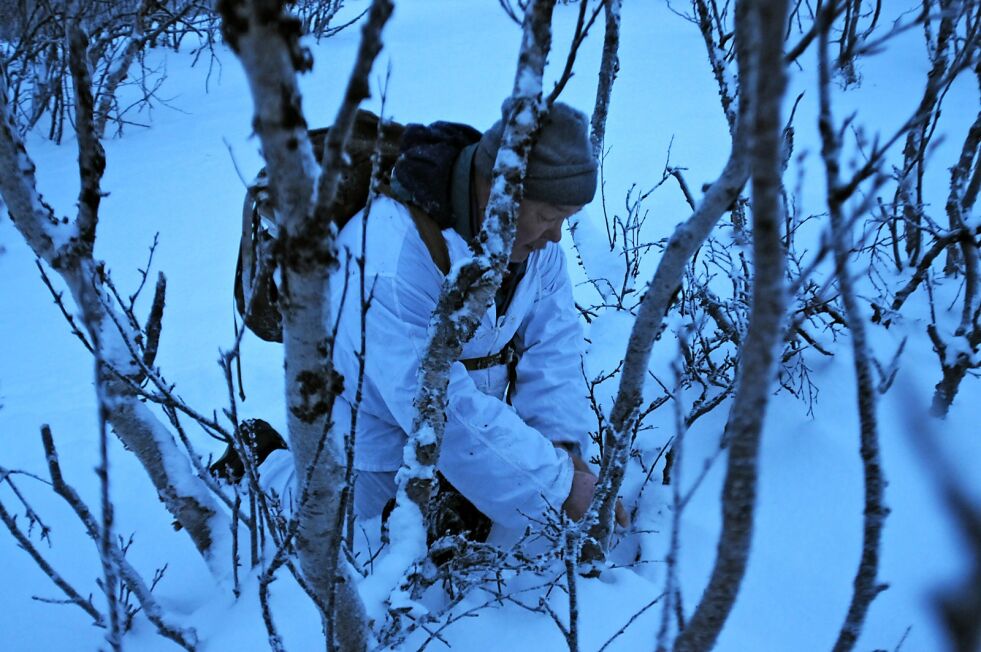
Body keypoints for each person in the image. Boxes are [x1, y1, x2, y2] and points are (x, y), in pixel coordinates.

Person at [259, 101, 626, 537]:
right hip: (370, 440)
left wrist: (563, 449)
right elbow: (435, 405)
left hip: (467, 439)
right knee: (342, 531)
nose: (555, 237)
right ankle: (262, 465)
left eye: (562, 220)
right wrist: (560, 487)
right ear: (499, 193)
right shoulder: (391, 259)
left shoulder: (534, 250)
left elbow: (553, 349)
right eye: (547, 217)